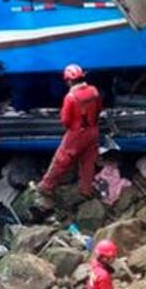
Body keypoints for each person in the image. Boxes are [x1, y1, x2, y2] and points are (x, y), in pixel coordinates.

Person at [37, 64, 103, 198]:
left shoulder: (71, 97)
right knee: (88, 162)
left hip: (77, 133)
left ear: (69, 80)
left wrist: (72, 128)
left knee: (61, 159)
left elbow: (65, 120)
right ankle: (86, 190)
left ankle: (46, 186)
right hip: (93, 130)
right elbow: (99, 108)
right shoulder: (94, 90)